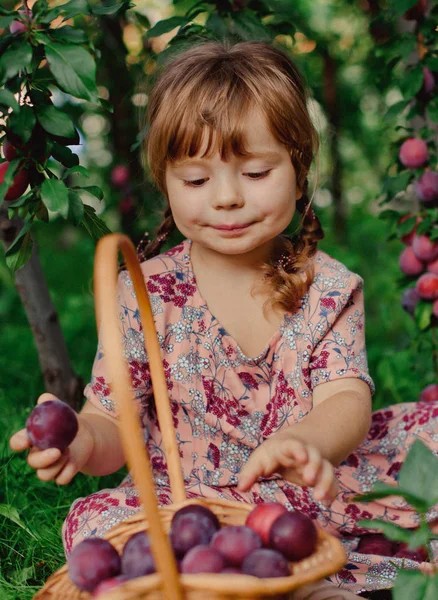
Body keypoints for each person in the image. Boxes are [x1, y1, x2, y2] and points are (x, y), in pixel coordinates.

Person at [9, 39, 437, 599]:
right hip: (190, 501)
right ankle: (297, 586)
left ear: (299, 169)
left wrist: (303, 443)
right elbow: (114, 422)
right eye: (196, 180)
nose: (228, 198)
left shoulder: (326, 287)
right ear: (164, 181)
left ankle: (311, 579)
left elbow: (347, 401)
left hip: (308, 487)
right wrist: (82, 443)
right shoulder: (147, 292)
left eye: (257, 172)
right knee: (103, 527)